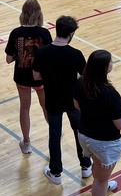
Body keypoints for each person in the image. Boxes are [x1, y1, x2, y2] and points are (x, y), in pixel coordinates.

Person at [32, 15, 89, 185]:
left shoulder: (42, 52)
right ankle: (86, 165)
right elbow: (85, 78)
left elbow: (36, 76)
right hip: (73, 101)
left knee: (55, 135)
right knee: (79, 132)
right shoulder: (76, 54)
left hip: (53, 100)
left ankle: (56, 172)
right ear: (71, 34)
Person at [75, 50, 121, 196]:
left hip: (84, 135)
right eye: (111, 61)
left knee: (98, 167)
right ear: (105, 68)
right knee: (101, 178)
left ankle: (101, 184)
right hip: (104, 141)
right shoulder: (110, 93)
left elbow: (76, 104)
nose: (113, 63)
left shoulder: (81, 83)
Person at [5, 0, 52, 155]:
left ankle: (26, 142)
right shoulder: (44, 33)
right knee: (46, 106)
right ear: (39, 14)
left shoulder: (16, 33)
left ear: (23, 13)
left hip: (22, 76)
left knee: (24, 108)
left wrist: (19, 55)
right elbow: (48, 57)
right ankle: (54, 132)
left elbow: (8, 59)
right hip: (40, 77)